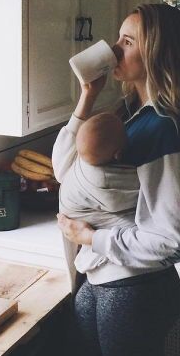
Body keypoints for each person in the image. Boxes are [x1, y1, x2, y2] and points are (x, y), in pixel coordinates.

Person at [54, 4, 180, 356]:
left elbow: (176, 241)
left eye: (127, 41)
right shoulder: (128, 115)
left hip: (136, 292)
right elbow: (62, 169)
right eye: (117, 37)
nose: (113, 48)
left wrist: (93, 236)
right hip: (102, 280)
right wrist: (87, 96)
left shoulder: (167, 130)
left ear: (157, 55)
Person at [54, 112, 140, 287]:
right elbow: (142, 193)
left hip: (114, 268)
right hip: (113, 267)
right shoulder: (108, 179)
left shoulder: (80, 166)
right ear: (118, 154)